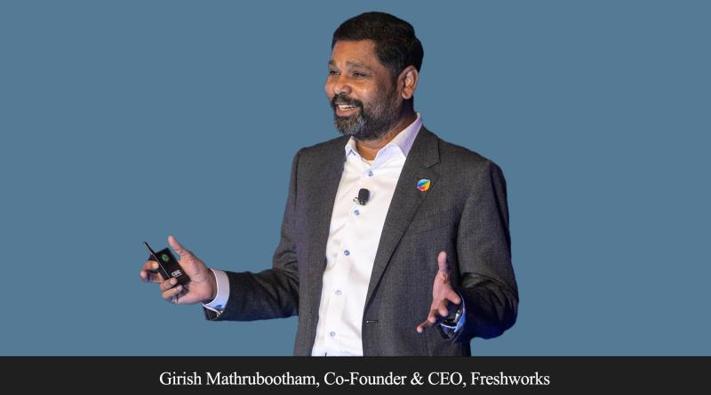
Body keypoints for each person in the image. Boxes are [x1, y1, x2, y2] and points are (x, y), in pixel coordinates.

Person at [140, 11, 518, 356]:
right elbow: (294, 283)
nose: (338, 87)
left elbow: (499, 301)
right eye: (333, 72)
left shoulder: (467, 175)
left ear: (406, 82)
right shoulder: (311, 166)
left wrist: (459, 308)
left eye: (357, 74)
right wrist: (214, 287)